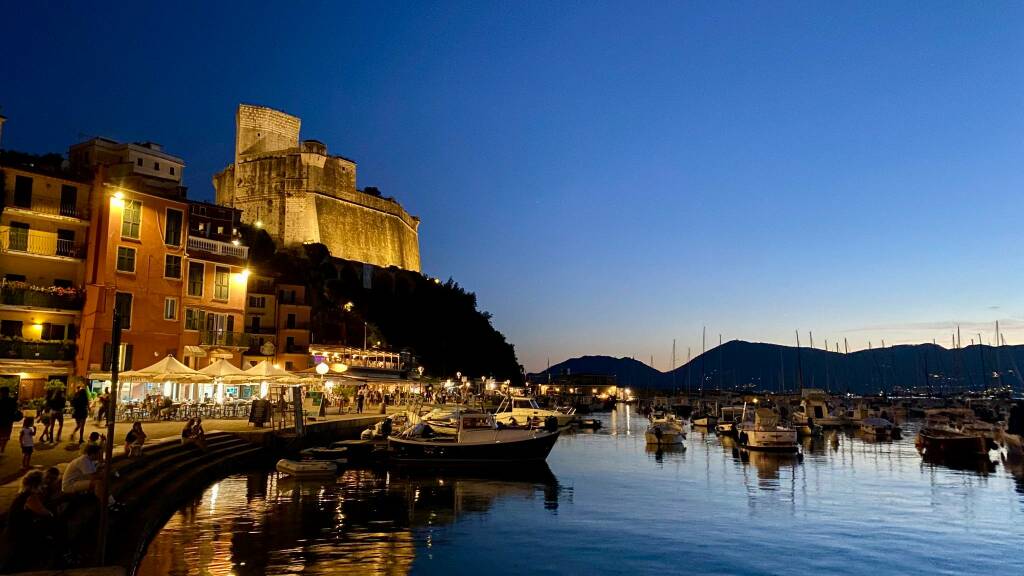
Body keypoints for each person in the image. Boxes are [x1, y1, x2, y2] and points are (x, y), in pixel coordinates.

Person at [0, 470, 54, 572]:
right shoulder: (30, 497)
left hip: (16, 531)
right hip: (18, 534)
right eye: (42, 484)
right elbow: (44, 512)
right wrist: (51, 514)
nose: (44, 486)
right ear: (37, 484)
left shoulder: (23, 494)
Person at [0, 387, 19, 454]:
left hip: (1, 420)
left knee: (1, 434)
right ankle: (2, 448)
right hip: (9, 420)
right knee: (6, 435)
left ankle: (1, 447)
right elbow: (16, 409)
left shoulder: (0, 400)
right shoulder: (12, 401)